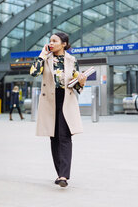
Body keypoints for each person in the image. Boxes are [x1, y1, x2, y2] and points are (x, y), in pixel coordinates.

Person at [30, 32, 87, 188]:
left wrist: (81, 81)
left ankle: (64, 175)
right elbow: (34, 72)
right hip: (49, 100)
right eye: (50, 41)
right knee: (54, 137)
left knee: (65, 136)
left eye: (55, 41)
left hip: (66, 100)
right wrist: (42, 54)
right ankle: (59, 173)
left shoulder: (72, 60)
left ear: (64, 44)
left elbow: (75, 85)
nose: (51, 43)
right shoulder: (45, 59)